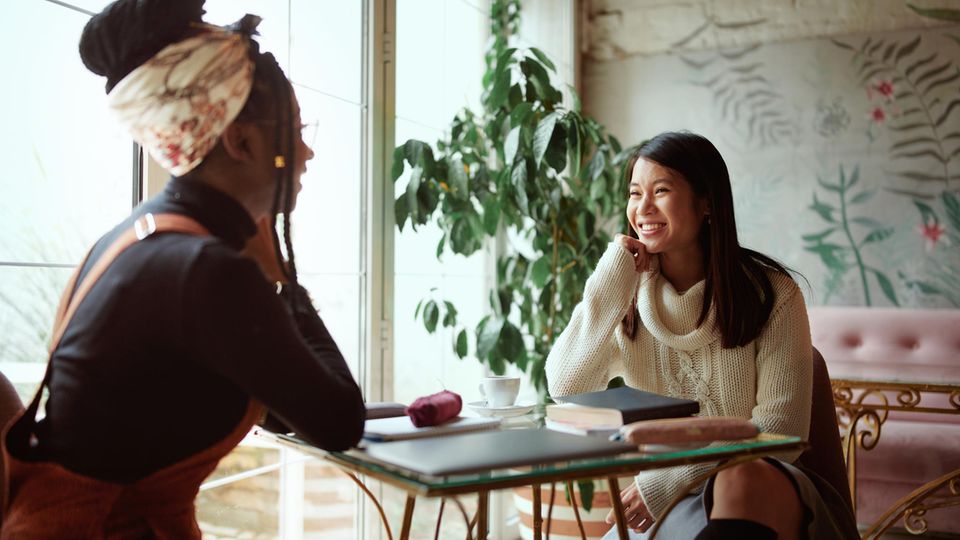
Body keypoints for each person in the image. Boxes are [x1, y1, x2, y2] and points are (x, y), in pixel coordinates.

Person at [1, 1, 365, 537]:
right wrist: (281, 276)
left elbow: (286, 411)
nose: (307, 151)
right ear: (240, 141)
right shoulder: (208, 270)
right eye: (295, 129)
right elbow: (338, 422)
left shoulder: (135, 238)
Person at [545, 132, 858, 539]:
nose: (642, 208)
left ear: (706, 203)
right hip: (672, 502)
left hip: (769, 494)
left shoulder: (773, 295)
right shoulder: (627, 298)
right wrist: (611, 275)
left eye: (661, 191)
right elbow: (566, 387)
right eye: (635, 193)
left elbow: (781, 431)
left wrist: (668, 480)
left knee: (740, 478)